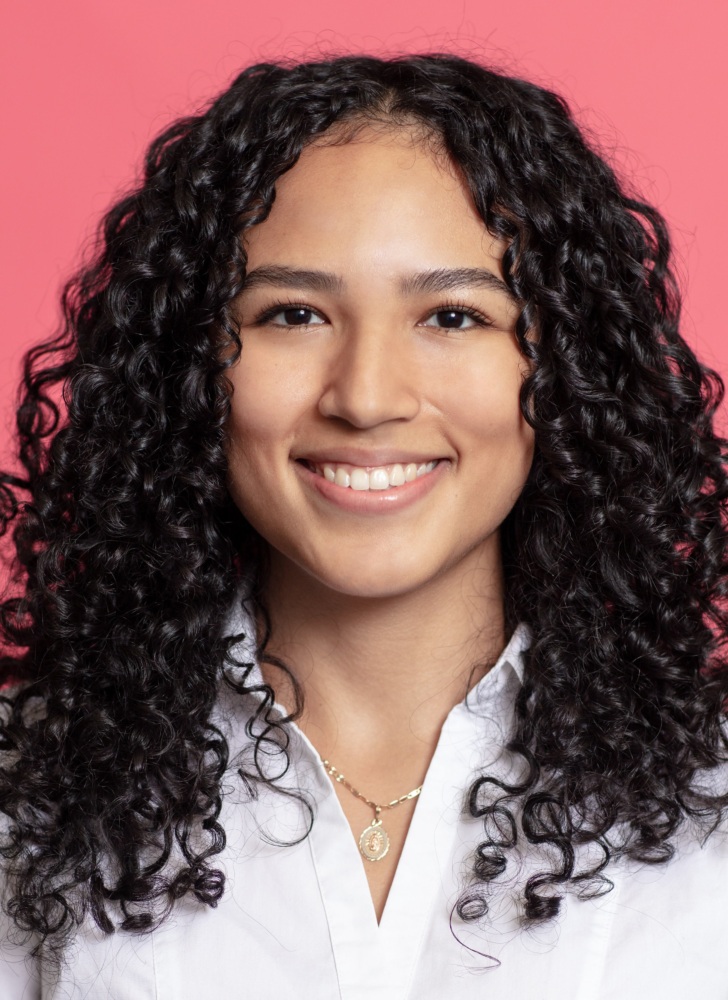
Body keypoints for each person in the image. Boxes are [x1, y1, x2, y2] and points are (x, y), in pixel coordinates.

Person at [1, 52, 727, 999]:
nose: (368, 396)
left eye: (455, 316)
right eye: (294, 314)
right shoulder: (28, 802)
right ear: (186, 366)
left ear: (568, 372)